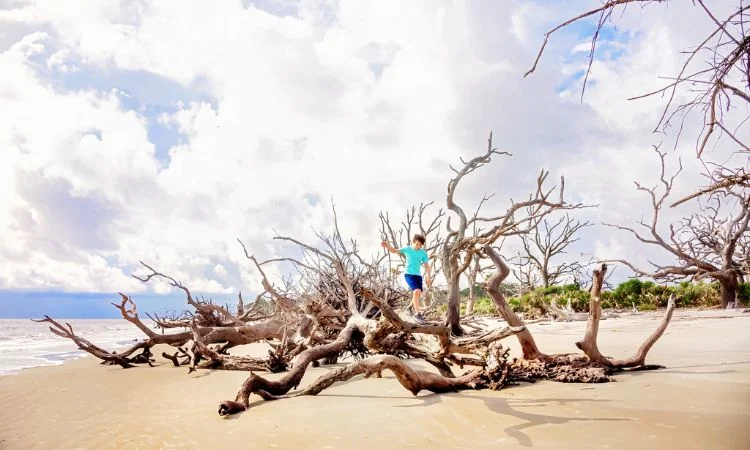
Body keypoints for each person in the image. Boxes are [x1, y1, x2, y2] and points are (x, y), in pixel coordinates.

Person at [381, 234, 432, 323]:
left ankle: (409, 308)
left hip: (418, 276)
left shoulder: (423, 253)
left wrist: (428, 277)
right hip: (409, 274)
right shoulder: (407, 249)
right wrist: (387, 245)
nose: (418, 246)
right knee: (416, 291)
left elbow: (427, 266)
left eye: (420, 245)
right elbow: (394, 250)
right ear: (413, 242)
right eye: (417, 244)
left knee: (418, 293)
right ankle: (417, 314)